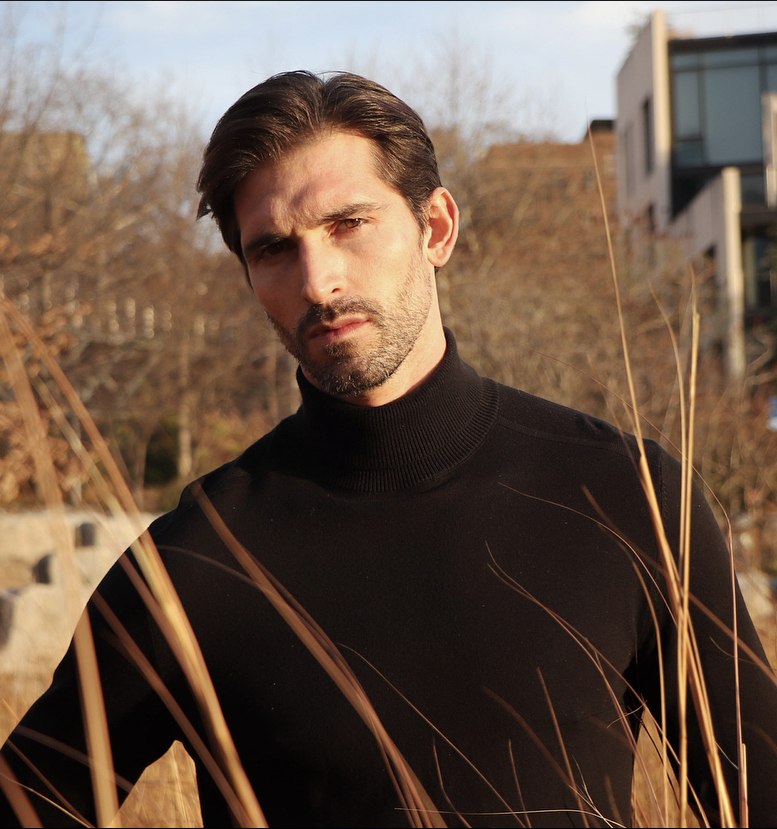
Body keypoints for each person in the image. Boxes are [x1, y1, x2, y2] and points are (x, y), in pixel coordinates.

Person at [1, 70, 776, 829]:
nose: (318, 281)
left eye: (348, 224)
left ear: (435, 227)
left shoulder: (626, 495)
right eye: (273, 248)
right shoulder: (195, 557)